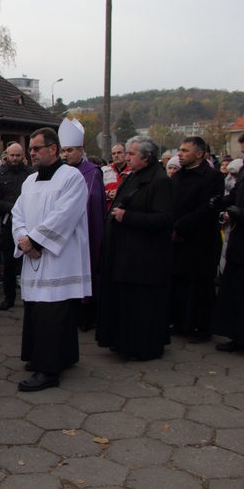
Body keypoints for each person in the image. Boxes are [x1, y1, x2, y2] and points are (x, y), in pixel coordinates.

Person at [11, 127, 91, 392]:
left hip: (59, 256)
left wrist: (35, 241)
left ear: (53, 149)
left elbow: (65, 214)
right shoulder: (29, 181)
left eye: (36, 148)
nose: (31, 153)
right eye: (30, 149)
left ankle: (49, 371)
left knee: (54, 310)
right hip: (34, 254)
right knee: (37, 309)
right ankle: (56, 357)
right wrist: (24, 239)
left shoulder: (71, 177)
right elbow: (17, 213)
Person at [96, 136, 173, 360]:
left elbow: (164, 218)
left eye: (131, 154)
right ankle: (122, 342)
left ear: (147, 157)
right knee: (126, 303)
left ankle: (141, 347)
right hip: (125, 253)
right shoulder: (133, 177)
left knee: (141, 305)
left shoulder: (160, 181)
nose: (126, 157)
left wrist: (127, 216)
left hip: (144, 257)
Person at [169, 136, 224, 343]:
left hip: (200, 240)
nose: (180, 154)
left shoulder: (213, 177)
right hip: (176, 239)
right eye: (179, 150)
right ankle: (182, 322)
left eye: (185, 151)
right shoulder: (177, 177)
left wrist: (180, 227)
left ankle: (203, 327)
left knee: (200, 286)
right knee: (180, 282)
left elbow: (207, 209)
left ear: (199, 154)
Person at [58, 118, 106, 332]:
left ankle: (88, 315)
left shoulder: (92, 171)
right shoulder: (61, 172)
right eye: (63, 150)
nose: (65, 154)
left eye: (69, 150)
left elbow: (91, 202)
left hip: (85, 230)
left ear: (81, 149)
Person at [0, 143, 34, 311]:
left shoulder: (31, 173)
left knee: (29, 260)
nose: (15, 158)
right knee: (9, 262)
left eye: (18, 155)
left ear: (23, 155)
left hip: (30, 221)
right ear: (6, 155)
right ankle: (9, 297)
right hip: (9, 222)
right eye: (12, 155)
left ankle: (30, 296)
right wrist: (15, 207)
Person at [213, 134, 244, 352]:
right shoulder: (243, 170)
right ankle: (237, 336)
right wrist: (221, 202)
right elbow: (234, 195)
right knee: (235, 291)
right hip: (239, 242)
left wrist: (238, 212)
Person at [102, 143, 130, 210]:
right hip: (108, 213)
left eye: (119, 153)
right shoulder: (104, 171)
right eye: (114, 154)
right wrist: (107, 194)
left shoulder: (132, 171)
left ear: (126, 154)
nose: (116, 156)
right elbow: (97, 191)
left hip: (126, 212)